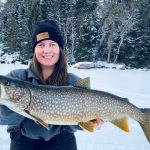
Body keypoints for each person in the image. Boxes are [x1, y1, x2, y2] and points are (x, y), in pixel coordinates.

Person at [0, 20, 103, 150]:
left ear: (60, 49)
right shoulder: (16, 77)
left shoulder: (74, 82)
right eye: (41, 45)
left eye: (52, 44)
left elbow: (76, 124)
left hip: (63, 143)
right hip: (22, 143)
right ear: (34, 49)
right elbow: (4, 120)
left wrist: (91, 122)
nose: (46, 50)